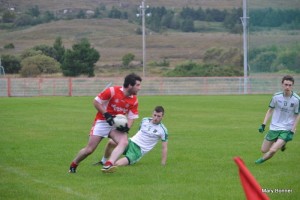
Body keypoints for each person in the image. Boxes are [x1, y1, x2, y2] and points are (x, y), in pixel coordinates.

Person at [69, 73, 142, 173]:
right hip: (102, 122)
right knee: (89, 150)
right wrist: (106, 114)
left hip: (116, 125)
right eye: (137, 85)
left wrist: (127, 127)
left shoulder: (134, 100)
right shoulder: (112, 91)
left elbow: (131, 117)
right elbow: (96, 102)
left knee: (124, 142)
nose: (139, 88)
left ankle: (108, 164)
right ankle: (73, 165)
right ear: (130, 85)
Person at [96, 106, 168, 172]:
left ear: (162, 117)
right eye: (154, 115)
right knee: (111, 142)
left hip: (138, 151)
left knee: (116, 163)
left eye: (158, 116)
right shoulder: (145, 120)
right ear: (152, 114)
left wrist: (163, 163)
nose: (156, 118)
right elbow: (140, 131)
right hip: (131, 142)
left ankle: (108, 167)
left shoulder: (162, 130)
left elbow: (164, 148)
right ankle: (103, 161)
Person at [255, 75, 300, 164]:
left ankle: (260, 161)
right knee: (264, 150)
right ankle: (281, 142)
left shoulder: (297, 99)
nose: (287, 87)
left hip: (287, 128)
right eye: (286, 84)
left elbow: (297, 115)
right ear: (282, 84)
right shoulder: (276, 96)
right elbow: (270, 110)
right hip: (274, 127)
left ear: (292, 86)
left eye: (290, 85)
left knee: (272, 150)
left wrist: (292, 130)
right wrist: (263, 124)